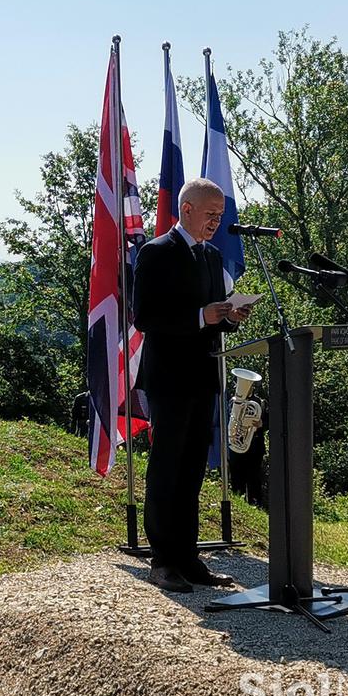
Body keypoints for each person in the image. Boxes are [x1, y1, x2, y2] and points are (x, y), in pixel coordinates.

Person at [132, 178, 253, 593]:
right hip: (169, 376)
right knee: (167, 465)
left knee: (193, 468)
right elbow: (145, 318)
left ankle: (188, 556)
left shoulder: (212, 255)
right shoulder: (155, 252)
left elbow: (211, 314)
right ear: (186, 210)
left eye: (220, 215)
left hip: (204, 374)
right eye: (210, 214)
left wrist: (229, 315)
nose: (217, 222)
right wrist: (202, 316)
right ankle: (162, 560)